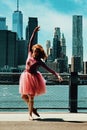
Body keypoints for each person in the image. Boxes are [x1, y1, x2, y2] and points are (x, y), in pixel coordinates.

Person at [19, 26, 63, 120]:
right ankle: (33, 109)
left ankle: (30, 115)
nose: (35, 52)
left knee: (31, 97)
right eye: (35, 50)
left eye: (37, 52)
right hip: (25, 76)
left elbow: (49, 70)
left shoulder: (39, 61)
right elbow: (30, 41)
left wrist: (58, 75)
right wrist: (34, 31)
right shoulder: (29, 53)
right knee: (23, 96)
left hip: (33, 78)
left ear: (39, 53)